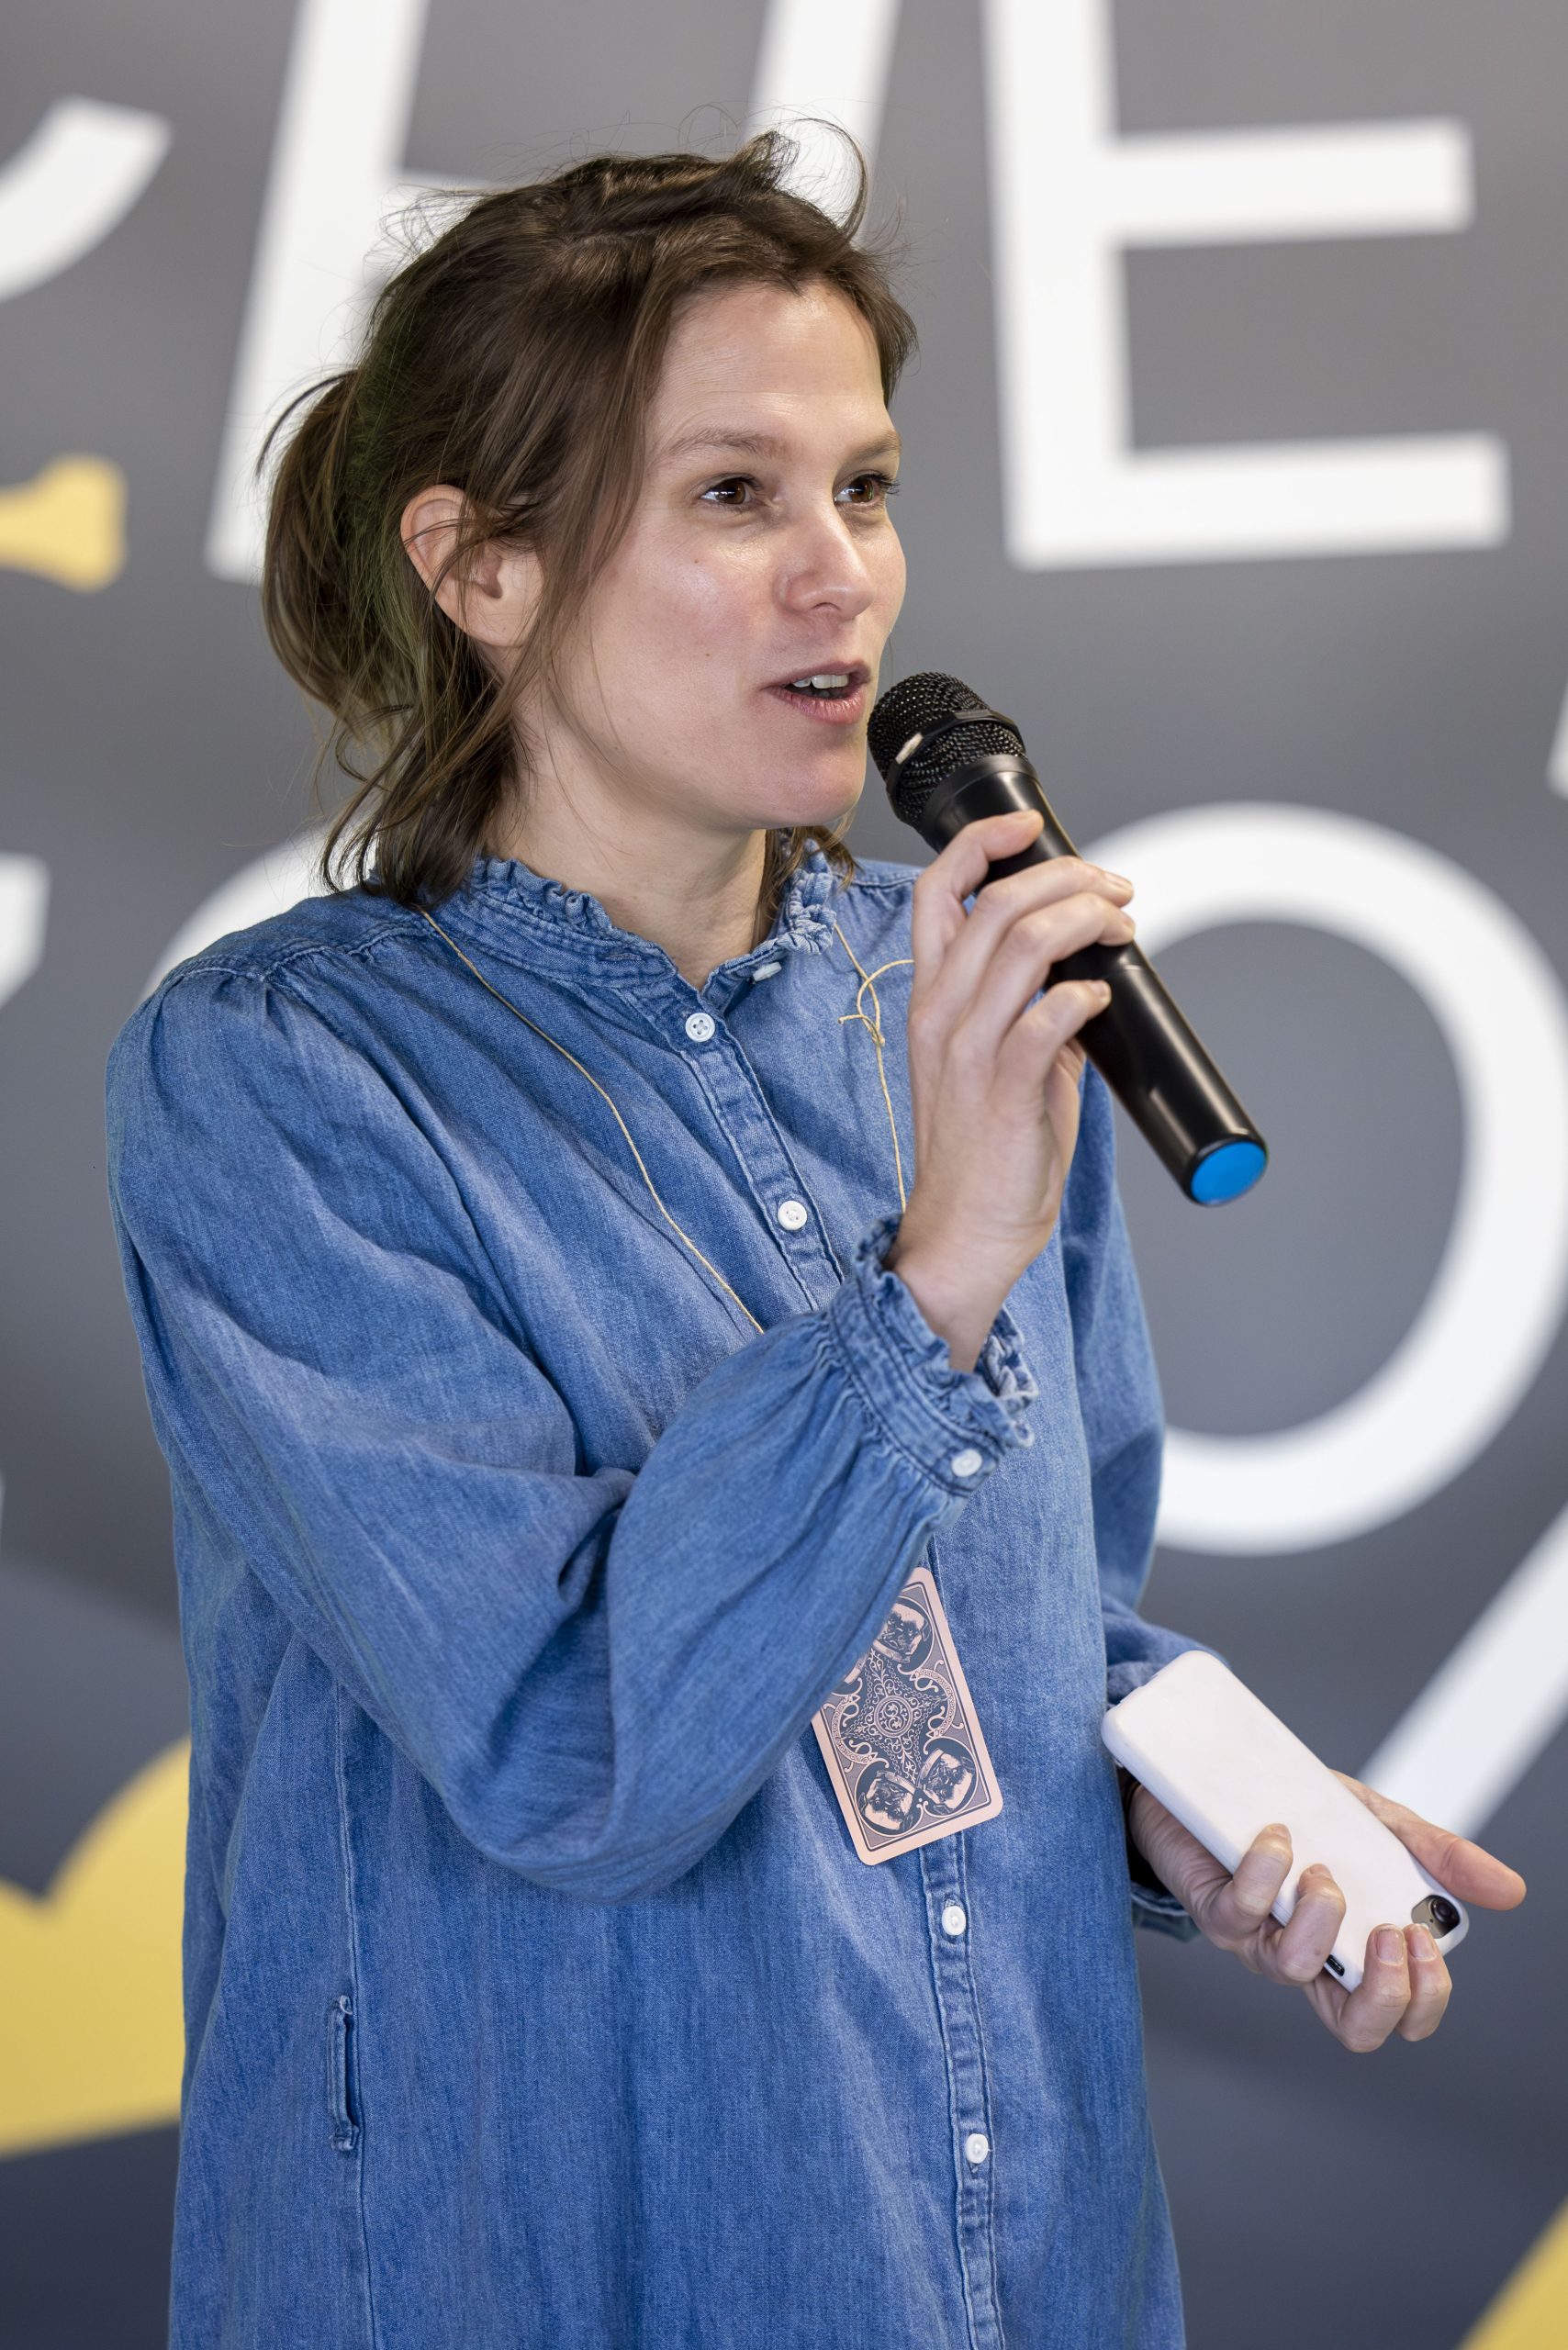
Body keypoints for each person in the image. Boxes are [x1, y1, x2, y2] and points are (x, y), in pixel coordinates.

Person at [105, 132, 1525, 2349]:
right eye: (731, 495)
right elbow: (568, 1740)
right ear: (478, 566)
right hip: (542, 2258)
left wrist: (1181, 1802)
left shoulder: (947, 987)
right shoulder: (279, 1076)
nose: (837, 576)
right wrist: (931, 1274)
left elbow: (1011, 1613)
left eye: (862, 487)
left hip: (1007, 2255)